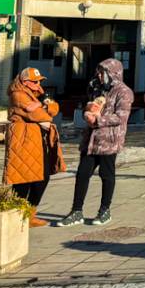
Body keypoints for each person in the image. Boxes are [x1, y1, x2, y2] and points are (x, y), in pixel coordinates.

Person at [56, 58, 133, 227]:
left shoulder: (124, 92)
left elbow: (121, 117)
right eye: (98, 72)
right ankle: (76, 211)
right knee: (82, 174)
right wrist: (87, 112)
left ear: (112, 73)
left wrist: (98, 120)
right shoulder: (97, 89)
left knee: (106, 174)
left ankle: (105, 210)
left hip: (109, 140)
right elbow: (90, 106)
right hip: (91, 139)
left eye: (102, 72)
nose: (99, 75)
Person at [3, 68, 65, 228]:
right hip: (23, 139)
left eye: (40, 81)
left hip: (36, 139)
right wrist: (44, 108)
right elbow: (39, 115)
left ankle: (29, 214)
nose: (39, 84)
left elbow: (55, 108)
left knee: (41, 177)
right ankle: (18, 215)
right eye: (35, 81)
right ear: (25, 82)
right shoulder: (18, 95)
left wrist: (41, 105)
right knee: (23, 179)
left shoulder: (35, 95)